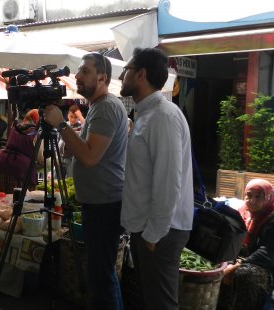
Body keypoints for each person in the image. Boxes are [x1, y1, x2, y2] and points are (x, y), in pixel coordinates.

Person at [43, 52, 128, 310]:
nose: (77, 76)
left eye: (85, 71)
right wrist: (72, 143)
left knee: (101, 277)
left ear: (102, 77)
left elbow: (90, 157)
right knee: (102, 275)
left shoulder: (105, 108)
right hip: (100, 202)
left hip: (105, 204)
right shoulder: (97, 107)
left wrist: (60, 125)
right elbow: (88, 150)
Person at [119, 47, 194, 310]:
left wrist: (153, 234)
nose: (120, 77)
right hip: (150, 228)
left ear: (140, 74)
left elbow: (168, 182)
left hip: (161, 231)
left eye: (126, 70)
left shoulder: (163, 116)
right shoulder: (146, 114)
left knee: (160, 303)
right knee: (151, 299)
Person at [217, 179, 274, 310]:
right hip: (249, 259)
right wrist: (229, 262)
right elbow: (234, 242)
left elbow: (268, 253)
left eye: (258, 196)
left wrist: (236, 266)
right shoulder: (243, 213)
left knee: (243, 274)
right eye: (249, 195)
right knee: (218, 266)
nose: (252, 200)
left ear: (269, 197)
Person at [0, 109, 42, 194]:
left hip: (0, 164)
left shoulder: (16, 128)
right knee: (19, 202)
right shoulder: (36, 133)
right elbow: (41, 159)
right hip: (20, 170)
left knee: (2, 201)